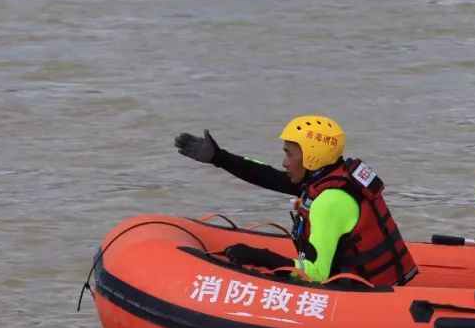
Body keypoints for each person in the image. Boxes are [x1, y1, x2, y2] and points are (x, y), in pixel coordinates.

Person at [174, 115, 417, 286]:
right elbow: (269, 176)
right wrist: (219, 157)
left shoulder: (330, 201)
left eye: (289, 153)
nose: (284, 162)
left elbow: (316, 274)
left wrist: (258, 256)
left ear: (310, 156)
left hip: (361, 296)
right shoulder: (330, 175)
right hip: (365, 282)